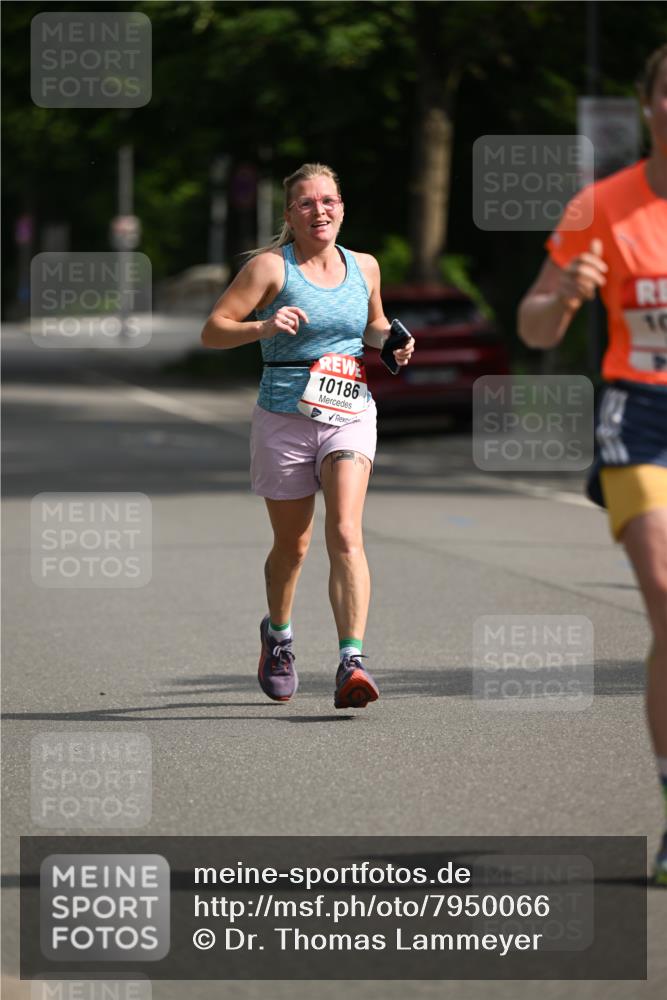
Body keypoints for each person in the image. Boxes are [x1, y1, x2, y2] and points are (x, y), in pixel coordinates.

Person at [517, 45, 667, 884]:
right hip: (637, 416)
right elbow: (533, 325)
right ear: (649, 105)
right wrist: (566, 292)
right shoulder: (599, 207)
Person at [201, 162, 415, 709]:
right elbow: (213, 329)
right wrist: (263, 327)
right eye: (306, 203)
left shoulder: (364, 265)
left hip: (348, 410)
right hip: (284, 417)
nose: (320, 210)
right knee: (292, 547)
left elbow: (371, 324)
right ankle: (278, 636)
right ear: (289, 215)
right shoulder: (270, 269)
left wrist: (391, 341)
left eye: (329, 201)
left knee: (345, 533)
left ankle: (352, 662)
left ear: (341, 206)